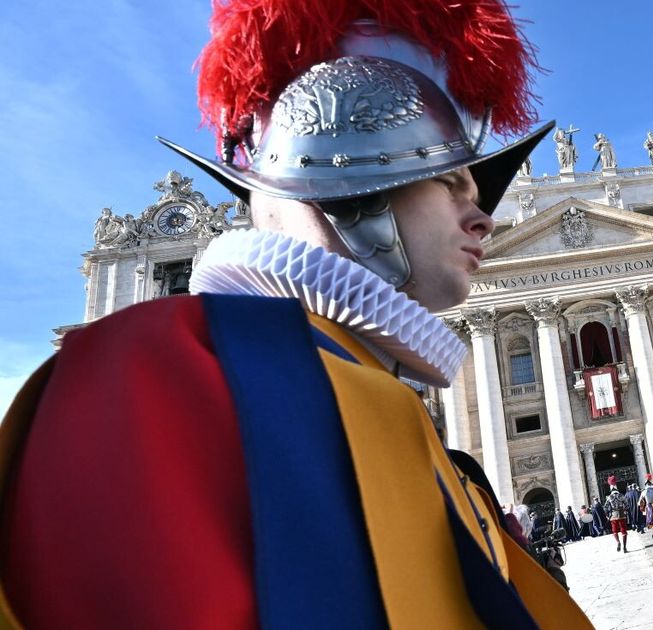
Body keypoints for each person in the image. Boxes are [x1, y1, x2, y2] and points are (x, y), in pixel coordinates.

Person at [0, 1, 590, 628]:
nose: (485, 221)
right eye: (450, 184)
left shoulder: (392, 410)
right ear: (350, 181)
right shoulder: (161, 379)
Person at [604, 476, 631, 552]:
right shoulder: (621, 495)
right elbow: (627, 505)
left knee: (614, 531)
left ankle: (618, 542)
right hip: (622, 515)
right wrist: (625, 511)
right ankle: (625, 547)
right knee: (623, 531)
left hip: (613, 516)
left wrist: (607, 515)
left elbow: (605, 507)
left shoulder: (609, 497)